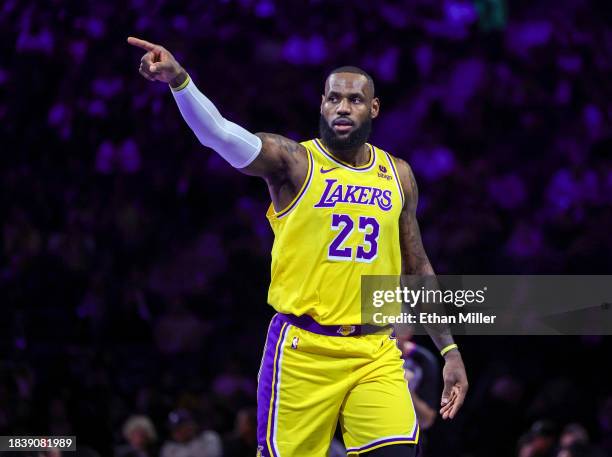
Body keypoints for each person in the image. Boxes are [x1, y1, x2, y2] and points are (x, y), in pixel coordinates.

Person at [128, 36, 468, 457]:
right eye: (334, 98)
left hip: (374, 351)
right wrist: (180, 81)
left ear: (373, 108)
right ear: (322, 105)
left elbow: (417, 266)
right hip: (304, 349)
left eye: (355, 100)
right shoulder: (294, 162)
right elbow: (219, 135)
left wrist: (449, 349)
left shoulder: (398, 174)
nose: (343, 107)